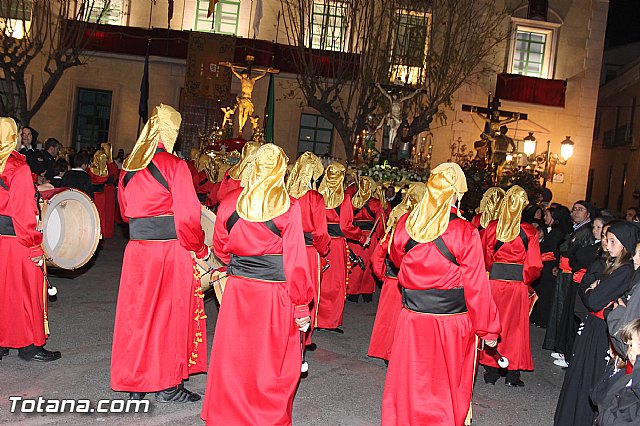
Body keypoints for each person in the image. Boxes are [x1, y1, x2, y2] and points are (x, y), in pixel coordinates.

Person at [201, 143, 313, 424]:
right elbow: (296, 260)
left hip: (238, 289)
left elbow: (221, 247)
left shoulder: (229, 202)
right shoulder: (289, 206)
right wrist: (301, 306)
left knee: (236, 355)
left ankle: (229, 413)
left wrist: (237, 263)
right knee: (270, 359)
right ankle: (263, 416)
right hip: (274, 294)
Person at [382, 162, 501, 426]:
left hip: (412, 317)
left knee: (411, 381)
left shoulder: (405, 224)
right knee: (445, 386)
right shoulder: (464, 231)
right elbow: (477, 286)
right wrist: (489, 331)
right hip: (451, 323)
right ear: (456, 193)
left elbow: (396, 258)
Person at [111, 104, 210, 402]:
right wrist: (201, 248)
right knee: (169, 317)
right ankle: (168, 385)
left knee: (136, 317)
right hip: (169, 252)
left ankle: (134, 383)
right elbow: (189, 218)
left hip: (137, 252)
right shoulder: (175, 166)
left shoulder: (128, 166)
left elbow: (126, 214)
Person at [554, 221, 637, 425]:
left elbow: (593, 300)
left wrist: (591, 289)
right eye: (607, 240)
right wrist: (590, 289)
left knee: (586, 378)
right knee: (577, 375)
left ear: (625, 245)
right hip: (594, 325)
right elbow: (588, 292)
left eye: (612, 241)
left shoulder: (624, 270)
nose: (606, 245)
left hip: (600, 331)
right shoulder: (613, 265)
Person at [0, 117, 61, 362]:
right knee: (26, 292)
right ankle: (29, 346)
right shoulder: (18, 167)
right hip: (16, 241)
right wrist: (34, 242)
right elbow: (24, 212)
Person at [480, 185, 543, 387]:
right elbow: (534, 265)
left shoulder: (492, 228)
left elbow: (484, 255)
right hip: (516, 287)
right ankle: (512, 374)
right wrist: (524, 279)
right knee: (515, 329)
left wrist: (495, 270)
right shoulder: (529, 232)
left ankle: (491, 370)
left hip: (494, 283)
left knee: (493, 324)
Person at [368, 182, 425, 362]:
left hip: (394, 277)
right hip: (415, 280)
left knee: (388, 319)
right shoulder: (426, 221)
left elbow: (381, 247)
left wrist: (381, 274)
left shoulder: (397, 214)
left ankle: (386, 351)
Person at [285, 152, 330, 349]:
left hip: (287, 249)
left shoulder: (285, 194)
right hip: (309, 251)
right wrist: (323, 250)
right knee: (307, 293)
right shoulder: (315, 198)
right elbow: (320, 232)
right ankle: (305, 338)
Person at [544, 201, 596, 365]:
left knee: (568, 312)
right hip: (565, 272)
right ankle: (560, 347)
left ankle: (566, 350)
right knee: (561, 311)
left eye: (580, 210)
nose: (576, 212)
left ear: (588, 214)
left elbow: (574, 253)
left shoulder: (585, 231)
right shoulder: (576, 229)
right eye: (574, 209)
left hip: (573, 275)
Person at [316, 162, 366, 333]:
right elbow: (346, 227)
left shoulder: (317, 196)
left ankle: (317, 317)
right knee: (336, 283)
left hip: (319, 242)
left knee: (320, 281)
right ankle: (329, 321)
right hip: (336, 245)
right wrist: (360, 236)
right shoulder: (344, 199)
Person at [591, 318, 640, 425]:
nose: (629, 352)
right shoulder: (633, 375)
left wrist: (607, 417)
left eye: (634, 345)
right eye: (628, 346)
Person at [530, 205, 572, 328]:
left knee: (545, 293)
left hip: (549, 266)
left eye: (547, 215)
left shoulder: (557, 232)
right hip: (544, 264)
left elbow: (555, 251)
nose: (544, 217)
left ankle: (542, 319)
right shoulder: (549, 230)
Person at [347, 176, 385, 303]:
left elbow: (346, 219)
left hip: (355, 236)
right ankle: (367, 292)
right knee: (368, 265)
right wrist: (380, 237)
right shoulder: (376, 203)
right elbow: (380, 223)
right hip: (371, 235)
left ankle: (353, 293)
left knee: (355, 264)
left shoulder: (352, 201)